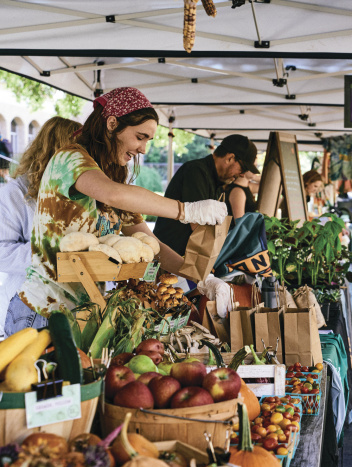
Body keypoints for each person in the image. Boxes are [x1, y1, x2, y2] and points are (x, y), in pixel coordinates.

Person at [5, 87, 228, 337]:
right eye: (140, 137)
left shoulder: (109, 176)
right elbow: (113, 194)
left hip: (83, 314)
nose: (143, 149)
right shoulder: (69, 158)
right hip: (43, 313)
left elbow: (153, 245)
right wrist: (185, 210)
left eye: (147, 141)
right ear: (112, 123)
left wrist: (201, 278)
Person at [0, 117, 82, 331]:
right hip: (30, 309)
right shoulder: (14, 193)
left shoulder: (78, 193)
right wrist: (53, 254)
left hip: (74, 307)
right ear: (58, 153)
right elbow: (2, 252)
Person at [154, 134, 258, 255]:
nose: (242, 174)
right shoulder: (196, 171)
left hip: (182, 258)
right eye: (243, 168)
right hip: (168, 257)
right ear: (230, 158)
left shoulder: (217, 182)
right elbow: (198, 226)